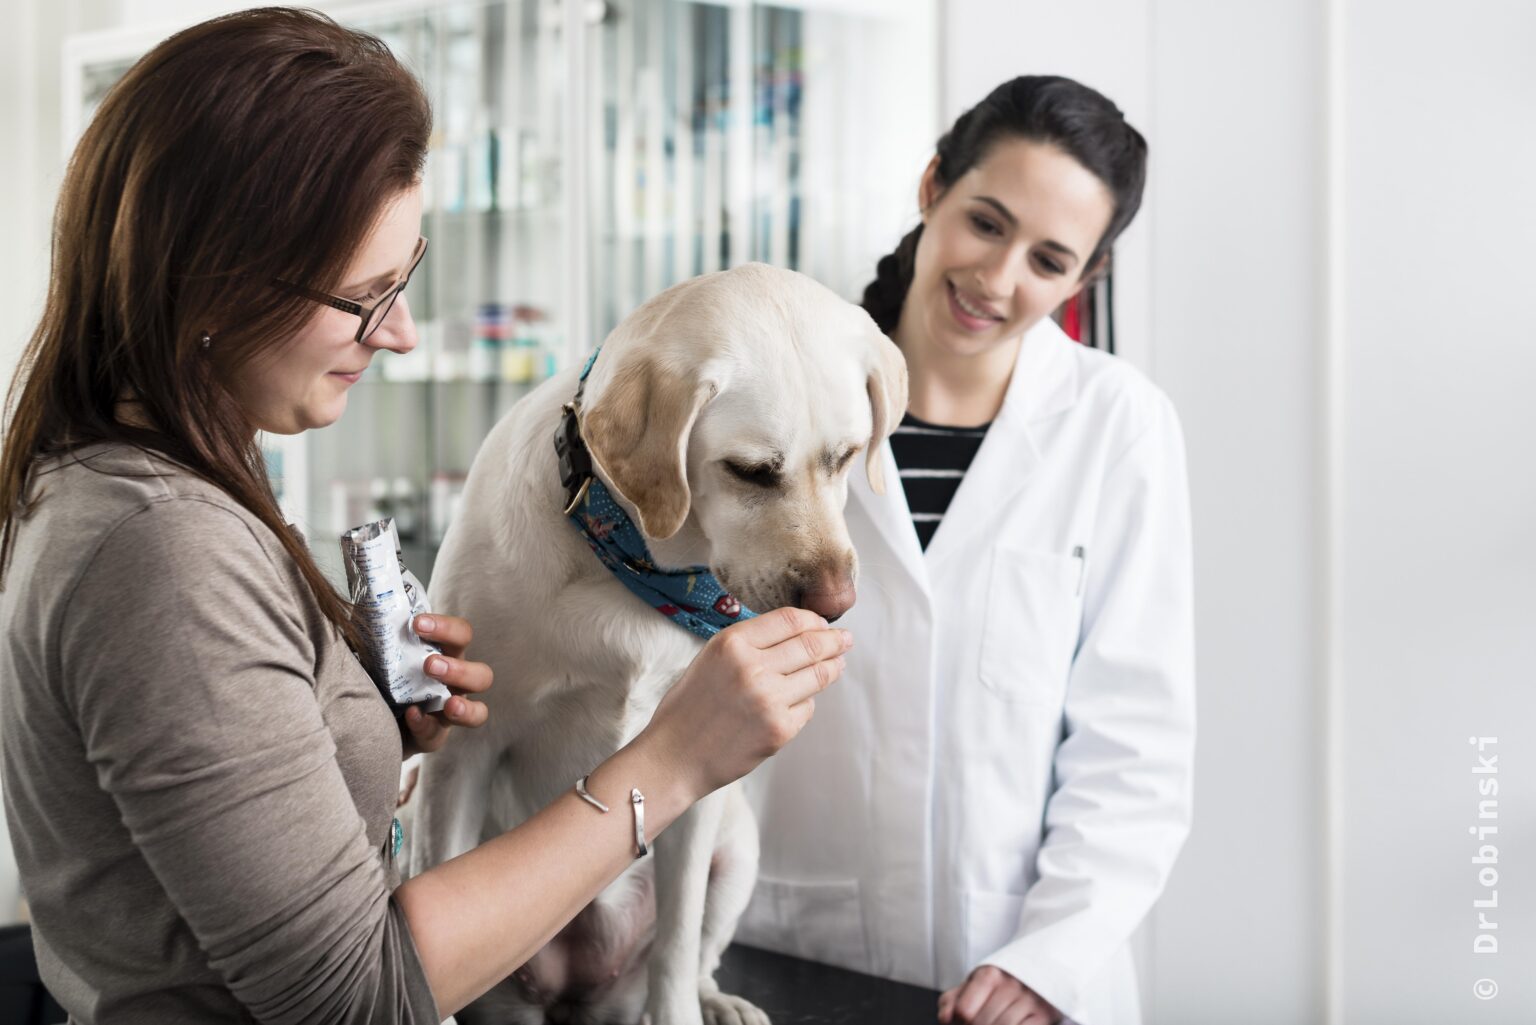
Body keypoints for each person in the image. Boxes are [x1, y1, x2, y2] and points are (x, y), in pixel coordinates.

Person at [0, 9, 847, 1023]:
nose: (397, 331)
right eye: (365, 295)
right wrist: (671, 763)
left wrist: (328, 706)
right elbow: (359, 997)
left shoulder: (141, 479)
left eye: (407, 278)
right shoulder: (162, 550)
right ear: (210, 282)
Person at [736, 76, 1196, 1025]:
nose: (998, 278)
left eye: (1048, 258)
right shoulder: (791, 395)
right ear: (932, 185)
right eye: (986, 222)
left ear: (1086, 278)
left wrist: (1051, 959)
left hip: (1025, 980)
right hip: (790, 953)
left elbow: (1134, 745)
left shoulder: (1119, 428)